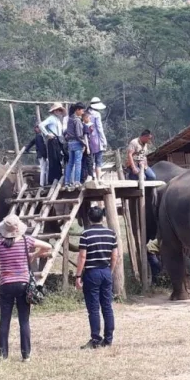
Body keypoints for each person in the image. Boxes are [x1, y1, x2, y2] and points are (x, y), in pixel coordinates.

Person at [0, 214, 52, 361]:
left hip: (6, 284)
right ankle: (26, 355)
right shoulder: (26, 240)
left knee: (4, 320)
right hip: (23, 283)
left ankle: (3, 355)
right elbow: (48, 246)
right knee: (24, 320)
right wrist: (34, 254)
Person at [76, 206, 118, 349]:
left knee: (93, 308)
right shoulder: (111, 233)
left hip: (91, 272)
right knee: (107, 307)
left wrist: (78, 276)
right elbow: (115, 256)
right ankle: (108, 339)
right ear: (103, 217)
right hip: (105, 271)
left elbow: (82, 256)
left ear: (89, 217)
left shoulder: (86, 235)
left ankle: (95, 339)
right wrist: (110, 271)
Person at [39, 103, 66, 185]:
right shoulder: (51, 118)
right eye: (58, 110)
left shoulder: (58, 119)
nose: (59, 111)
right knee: (53, 160)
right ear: (54, 111)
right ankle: (53, 179)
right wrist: (47, 134)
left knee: (58, 159)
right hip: (52, 140)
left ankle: (58, 177)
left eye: (60, 110)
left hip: (58, 140)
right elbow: (41, 125)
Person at [64, 102, 87, 190]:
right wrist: (84, 144)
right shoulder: (77, 120)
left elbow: (66, 132)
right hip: (77, 143)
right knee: (78, 163)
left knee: (70, 163)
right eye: (82, 110)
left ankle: (67, 182)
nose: (82, 112)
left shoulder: (70, 119)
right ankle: (77, 182)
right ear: (77, 110)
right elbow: (79, 134)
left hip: (70, 143)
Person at [87, 97, 108, 182]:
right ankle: (98, 178)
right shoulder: (96, 114)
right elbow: (100, 128)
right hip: (97, 140)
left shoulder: (85, 113)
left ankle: (91, 177)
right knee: (98, 160)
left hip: (88, 139)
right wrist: (104, 141)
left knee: (90, 160)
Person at [80, 111, 95, 184]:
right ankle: (90, 176)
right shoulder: (85, 126)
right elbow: (85, 137)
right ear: (85, 118)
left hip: (82, 146)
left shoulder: (80, 125)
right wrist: (88, 147)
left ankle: (83, 179)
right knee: (89, 162)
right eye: (89, 117)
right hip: (86, 146)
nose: (90, 118)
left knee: (83, 163)